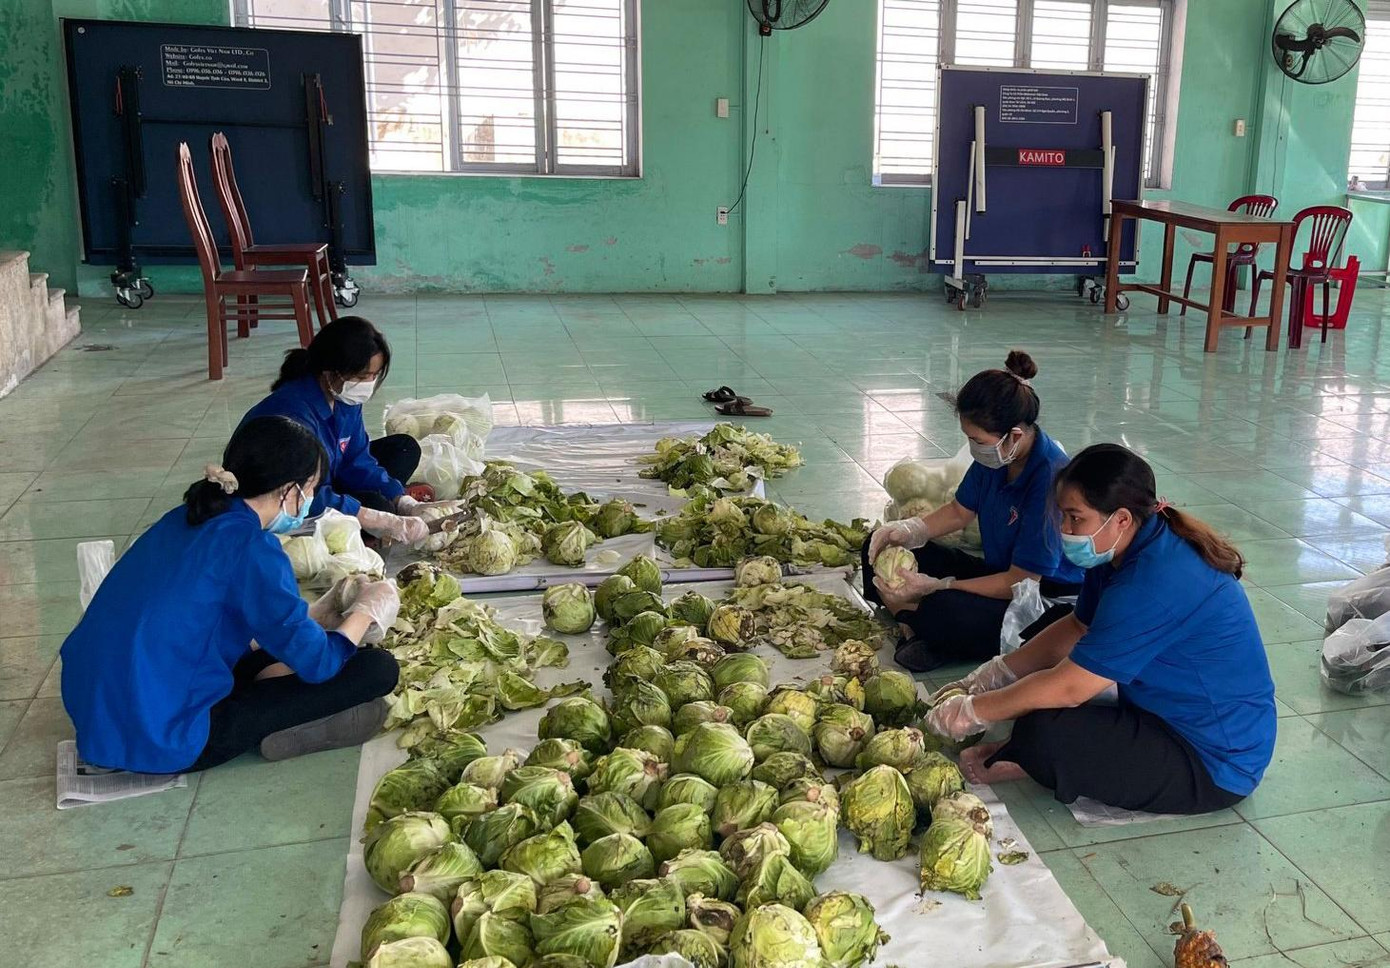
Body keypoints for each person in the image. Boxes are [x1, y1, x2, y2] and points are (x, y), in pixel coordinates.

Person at [925, 443, 1276, 815]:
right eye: (1062, 516)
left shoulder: (1154, 581)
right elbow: (1077, 625)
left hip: (1213, 759)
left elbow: (1071, 687)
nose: (1065, 529)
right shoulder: (1123, 549)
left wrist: (974, 710)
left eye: (1075, 518)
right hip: (1161, 707)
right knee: (1033, 693)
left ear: (1121, 518)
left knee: (1043, 734)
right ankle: (1026, 748)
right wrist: (998, 672)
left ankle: (1027, 757)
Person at [60, 416, 403, 774]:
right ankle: (291, 730)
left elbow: (207, 617)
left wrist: (319, 615)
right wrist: (365, 612)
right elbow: (320, 664)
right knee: (376, 669)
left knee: (283, 653)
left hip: (101, 705)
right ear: (290, 490)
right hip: (160, 733)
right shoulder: (252, 546)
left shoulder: (186, 517)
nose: (311, 500)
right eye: (311, 489)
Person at [863, 350, 1083, 672]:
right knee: (877, 544)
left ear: (1014, 436)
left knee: (947, 608)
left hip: (1039, 594)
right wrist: (910, 530)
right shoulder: (996, 457)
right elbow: (958, 511)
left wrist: (942, 585)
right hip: (999, 571)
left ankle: (914, 619)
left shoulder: (1049, 478)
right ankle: (913, 621)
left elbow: (1021, 581)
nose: (972, 447)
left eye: (976, 439)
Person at [241, 315, 430, 546]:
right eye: (362, 376)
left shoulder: (344, 398)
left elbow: (356, 458)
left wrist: (401, 499)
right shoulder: (292, 415)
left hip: (328, 476)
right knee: (377, 507)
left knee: (403, 448)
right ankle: (365, 513)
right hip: (292, 497)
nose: (368, 384)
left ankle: (385, 502)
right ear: (331, 371)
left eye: (374, 376)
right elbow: (294, 492)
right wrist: (370, 515)